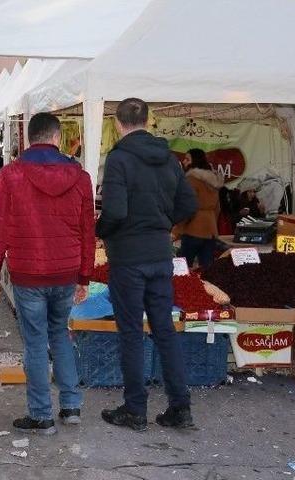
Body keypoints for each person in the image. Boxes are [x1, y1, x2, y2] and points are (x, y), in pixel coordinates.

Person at [0, 112, 95, 436]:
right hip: (66, 270)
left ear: (29, 139)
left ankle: (41, 415)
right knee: (59, 334)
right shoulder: (81, 176)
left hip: (29, 272)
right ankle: (71, 407)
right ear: (57, 138)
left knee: (35, 342)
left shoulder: (11, 174)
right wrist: (84, 276)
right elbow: (87, 230)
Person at [96, 98, 198, 432]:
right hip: (159, 255)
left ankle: (135, 409)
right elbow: (188, 203)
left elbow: (115, 212)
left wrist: (100, 231)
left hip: (128, 257)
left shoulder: (119, 159)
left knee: (130, 333)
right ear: (148, 121)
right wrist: (162, 223)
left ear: (117, 123)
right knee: (164, 331)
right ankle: (180, 408)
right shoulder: (168, 159)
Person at [177, 150, 223, 269]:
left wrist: (177, 230)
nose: (184, 161)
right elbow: (217, 208)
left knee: (183, 269)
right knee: (207, 270)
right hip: (210, 230)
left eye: (187, 159)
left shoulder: (191, 180)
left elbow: (187, 207)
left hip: (193, 229)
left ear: (195, 161)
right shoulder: (213, 181)